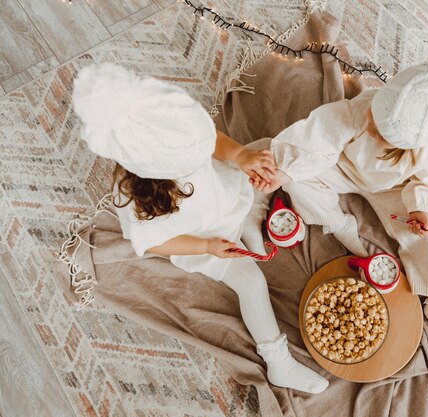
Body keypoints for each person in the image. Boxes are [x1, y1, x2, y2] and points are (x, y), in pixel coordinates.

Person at [72, 63, 328, 393]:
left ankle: (249, 218)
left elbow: (213, 141)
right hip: (202, 236)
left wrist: (239, 157)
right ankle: (277, 360)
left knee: (265, 151)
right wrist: (206, 248)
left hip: (223, 193)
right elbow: (156, 244)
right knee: (250, 281)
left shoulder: (177, 124)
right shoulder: (134, 198)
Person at [255, 62, 428, 355]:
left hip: (394, 187)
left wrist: (421, 209)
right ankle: (339, 223)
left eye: (380, 133)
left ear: (412, 146)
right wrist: (286, 168)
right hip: (343, 165)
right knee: (298, 183)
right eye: (373, 115)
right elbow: (321, 135)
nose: (370, 121)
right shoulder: (368, 106)